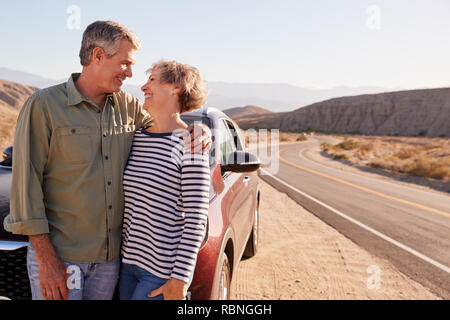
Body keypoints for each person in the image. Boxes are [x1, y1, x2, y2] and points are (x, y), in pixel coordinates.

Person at [3, 21, 211, 300]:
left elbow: (166, 124)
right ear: (98, 55)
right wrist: (46, 259)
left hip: (111, 263)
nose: (131, 74)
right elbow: (25, 186)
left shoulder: (128, 106)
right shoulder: (44, 105)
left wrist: (199, 130)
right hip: (62, 258)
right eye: (125, 63)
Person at [119, 60, 210, 300]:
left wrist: (179, 281)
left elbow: (196, 221)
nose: (143, 86)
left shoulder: (191, 145)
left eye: (153, 80)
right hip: (127, 264)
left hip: (161, 273)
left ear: (176, 88)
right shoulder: (136, 138)